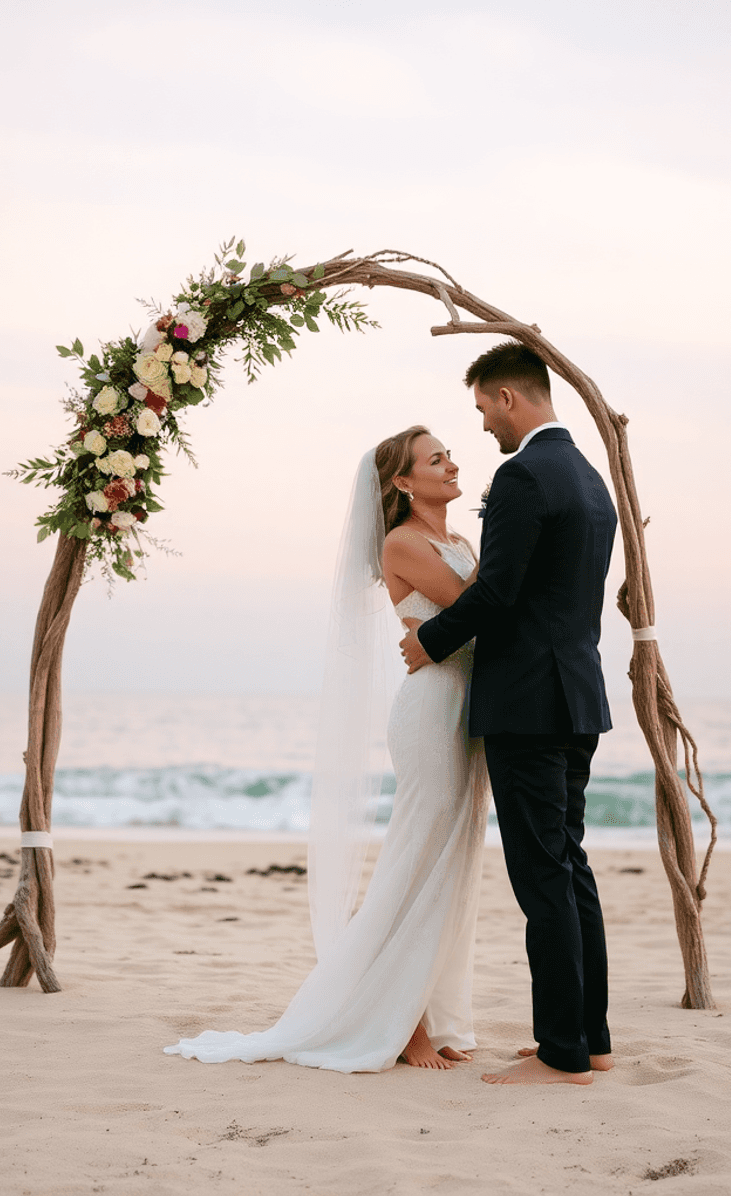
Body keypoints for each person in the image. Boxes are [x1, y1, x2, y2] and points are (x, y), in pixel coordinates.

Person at [163, 426, 491, 1072]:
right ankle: (404, 1024)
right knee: (415, 860)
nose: (452, 464)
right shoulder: (403, 542)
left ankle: (437, 1013)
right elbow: (475, 605)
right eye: (436, 459)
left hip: (469, 710)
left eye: (449, 455)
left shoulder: (460, 542)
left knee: (454, 865)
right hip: (432, 709)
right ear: (403, 482)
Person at [399, 341, 618, 1086]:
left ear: (507, 398)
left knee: (542, 876)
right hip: (577, 694)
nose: (485, 426)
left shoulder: (524, 474)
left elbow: (498, 593)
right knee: (570, 865)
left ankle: (561, 1053)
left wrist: (429, 640)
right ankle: (589, 1039)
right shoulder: (588, 476)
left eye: (483, 409)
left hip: (527, 701)